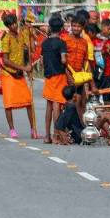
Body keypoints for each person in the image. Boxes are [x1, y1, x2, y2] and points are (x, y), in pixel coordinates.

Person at [0, 14, 38, 139]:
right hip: (8, 74)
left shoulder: (21, 36)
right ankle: (12, 130)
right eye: (12, 24)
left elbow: (29, 50)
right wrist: (24, 68)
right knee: (9, 104)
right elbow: (5, 61)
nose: (15, 26)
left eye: (16, 23)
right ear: (8, 26)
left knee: (29, 102)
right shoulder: (6, 39)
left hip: (20, 74)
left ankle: (33, 130)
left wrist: (31, 35)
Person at [41, 16, 71, 144]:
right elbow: (64, 60)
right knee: (57, 105)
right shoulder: (61, 43)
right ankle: (56, 136)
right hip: (59, 76)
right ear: (61, 29)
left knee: (49, 106)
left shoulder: (45, 43)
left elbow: (42, 61)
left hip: (48, 77)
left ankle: (47, 136)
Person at [61, 14, 90, 114]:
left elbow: (86, 61)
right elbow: (62, 61)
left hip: (79, 79)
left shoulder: (84, 42)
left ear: (83, 27)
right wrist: (69, 76)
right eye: (74, 26)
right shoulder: (65, 40)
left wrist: (87, 78)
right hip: (66, 77)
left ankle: (77, 127)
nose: (76, 28)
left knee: (80, 103)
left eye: (78, 26)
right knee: (66, 104)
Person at [93, 19, 110, 104]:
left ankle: (107, 115)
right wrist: (102, 52)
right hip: (95, 72)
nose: (109, 31)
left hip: (107, 73)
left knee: (107, 98)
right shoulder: (94, 39)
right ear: (102, 26)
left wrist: (109, 52)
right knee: (94, 97)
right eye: (108, 29)